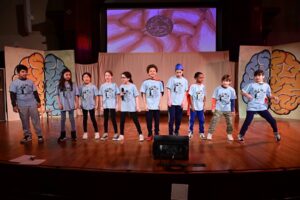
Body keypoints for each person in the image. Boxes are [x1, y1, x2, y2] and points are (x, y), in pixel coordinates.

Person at [238, 69, 281, 142]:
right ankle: (241, 135)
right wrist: (247, 94)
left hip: (262, 107)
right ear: (254, 77)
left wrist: (274, 97)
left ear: (263, 76)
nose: (257, 77)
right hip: (252, 106)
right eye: (256, 76)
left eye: (259, 75)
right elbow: (242, 91)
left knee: (272, 121)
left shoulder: (266, 85)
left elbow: (269, 95)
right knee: (248, 121)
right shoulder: (251, 85)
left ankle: (276, 134)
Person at [9, 64, 44, 144]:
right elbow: (12, 95)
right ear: (18, 73)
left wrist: (38, 101)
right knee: (24, 121)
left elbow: (35, 92)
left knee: (36, 120)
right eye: (22, 72)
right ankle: (27, 136)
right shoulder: (14, 83)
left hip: (32, 103)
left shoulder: (30, 82)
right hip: (22, 105)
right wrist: (14, 105)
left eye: (26, 72)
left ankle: (39, 135)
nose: (24, 73)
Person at [207, 74, 236, 141]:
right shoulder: (218, 89)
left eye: (227, 81)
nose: (226, 82)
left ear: (230, 82)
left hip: (228, 109)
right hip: (218, 108)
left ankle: (229, 134)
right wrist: (213, 107)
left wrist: (233, 110)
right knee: (214, 120)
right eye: (224, 81)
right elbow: (214, 98)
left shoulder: (232, 90)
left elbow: (233, 100)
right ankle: (210, 133)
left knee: (230, 122)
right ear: (222, 81)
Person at [117, 71, 144, 141]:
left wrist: (137, 106)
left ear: (128, 78)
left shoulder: (133, 86)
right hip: (124, 106)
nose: (122, 79)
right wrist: (121, 96)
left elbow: (136, 96)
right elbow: (120, 96)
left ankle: (140, 134)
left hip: (131, 106)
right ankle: (121, 135)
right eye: (121, 77)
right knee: (122, 121)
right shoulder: (121, 86)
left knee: (136, 121)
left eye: (124, 77)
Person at [140, 64, 164, 141]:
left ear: (156, 72)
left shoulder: (160, 82)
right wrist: (145, 104)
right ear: (148, 73)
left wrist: (160, 103)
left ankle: (156, 133)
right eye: (150, 71)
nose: (152, 72)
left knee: (157, 121)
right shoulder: (145, 82)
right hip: (149, 106)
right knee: (149, 121)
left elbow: (161, 93)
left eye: (154, 71)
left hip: (157, 106)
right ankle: (150, 134)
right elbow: (143, 93)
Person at [56, 68, 79, 142]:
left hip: (71, 104)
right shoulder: (59, 84)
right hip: (63, 105)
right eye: (66, 74)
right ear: (63, 75)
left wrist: (76, 103)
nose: (68, 76)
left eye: (69, 75)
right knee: (63, 120)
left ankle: (74, 135)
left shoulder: (73, 84)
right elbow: (57, 95)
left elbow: (76, 95)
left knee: (72, 119)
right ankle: (62, 135)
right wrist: (59, 104)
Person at [166, 63, 188, 136]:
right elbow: (168, 90)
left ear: (182, 71)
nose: (178, 74)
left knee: (178, 119)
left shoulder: (185, 81)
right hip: (172, 103)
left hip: (180, 103)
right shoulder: (171, 79)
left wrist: (184, 102)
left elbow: (185, 92)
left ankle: (176, 131)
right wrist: (169, 100)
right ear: (175, 72)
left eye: (180, 72)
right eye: (177, 72)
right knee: (171, 119)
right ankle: (170, 133)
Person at [99, 70, 120, 140]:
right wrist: (101, 105)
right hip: (105, 105)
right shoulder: (102, 86)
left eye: (108, 75)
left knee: (113, 119)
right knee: (105, 119)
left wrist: (117, 104)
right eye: (106, 75)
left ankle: (116, 133)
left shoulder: (114, 85)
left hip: (112, 105)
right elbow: (101, 96)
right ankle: (105, 133)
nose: (107, 77)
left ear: (111, 76)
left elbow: (117, 95)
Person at [79, 72, 99, 140]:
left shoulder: (93, 86)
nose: (86, 78)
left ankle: (96, 132)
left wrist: (96, 104)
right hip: (84, 105)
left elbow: (96, 96)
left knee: (93, 118)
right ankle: (85, 133)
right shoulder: (81, 87)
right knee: (84, 119)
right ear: (82, 79)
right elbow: (79, 96)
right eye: (84, 77)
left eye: (87, 77)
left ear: (90, 78)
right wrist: (79, 103)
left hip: (91, 105)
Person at [187, 72, 206, 140]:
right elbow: (190, 97)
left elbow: (204, 96)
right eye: (200, 77)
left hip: (200, 107)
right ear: (196, 78)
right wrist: (192, 106)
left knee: (201, 120)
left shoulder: (203, 86)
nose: (202, 79)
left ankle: (201, 132)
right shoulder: (193, 86)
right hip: (194, 107)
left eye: (202, 77)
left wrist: (204, 106)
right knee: (192, 120)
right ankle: (190, 132)